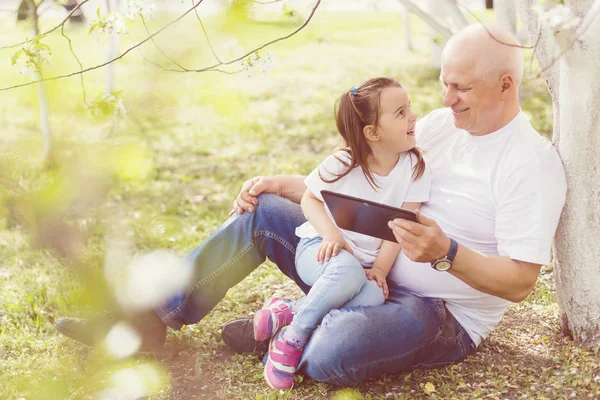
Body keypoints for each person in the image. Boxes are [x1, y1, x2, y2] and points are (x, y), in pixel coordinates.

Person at [55, 23, 567, 386]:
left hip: (437, 313)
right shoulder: (435, 126)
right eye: (444, 83)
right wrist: (291, 187)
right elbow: (365, 179)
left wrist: (446, 251)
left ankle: (296, 323)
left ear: (506, 84)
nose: (447, 98)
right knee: (260, 212)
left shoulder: (530, 162)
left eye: (462, 87)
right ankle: (148, 321)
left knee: (328, 357)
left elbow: (521, 282)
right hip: (359, 263)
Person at [255, 77, 431, 389]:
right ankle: (293, 337)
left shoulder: (415, 168)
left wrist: (379, 269)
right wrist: (331, 236)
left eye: (409, 108)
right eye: (401, 113)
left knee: (375, 295)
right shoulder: (343, 163)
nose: (413, 117)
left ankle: (289, 313)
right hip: (318, 250)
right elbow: (310, 198)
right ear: (372, 133)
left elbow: (399, 228)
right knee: (347, 270)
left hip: (358, 269)